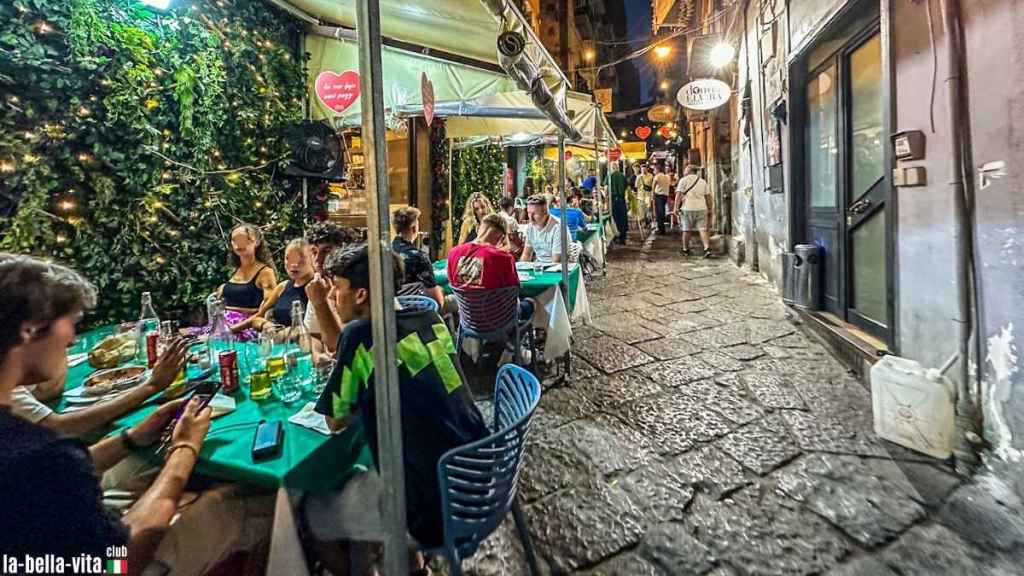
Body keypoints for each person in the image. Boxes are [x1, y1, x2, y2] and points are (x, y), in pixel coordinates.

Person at [0, 253, 213, 568]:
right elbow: (118, 562)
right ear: (30, 330)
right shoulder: (43, 457)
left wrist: (131, 438)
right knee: (242, 503)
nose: (72, 339)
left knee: (144, 466)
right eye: (70, 323)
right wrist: (185, 449)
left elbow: (54, 478)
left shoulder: (40, 458)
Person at [306, 245, 488, 575]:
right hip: (478, 471)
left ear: (360, 294)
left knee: (313, 511)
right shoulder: (429, 316)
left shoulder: (362, 335)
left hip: (434, 503)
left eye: (337, 287)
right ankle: (411, 564)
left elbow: (336, 419)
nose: (333, 294)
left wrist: (318, 304)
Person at [448, 214, 535, 322]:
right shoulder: (503, 258)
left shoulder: (453, 253)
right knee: (531, 302)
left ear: (478, 229)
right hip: (498, 321)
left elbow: (452, 283)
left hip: (467, 319)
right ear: (501, 237)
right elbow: (514, 291)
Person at [231, 238, 315, 334]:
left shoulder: (319, 288)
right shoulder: (282, 287)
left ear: (312, 258)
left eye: (301, 258)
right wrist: (228, 331)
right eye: (288, 258)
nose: (294, 264)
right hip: (277, 342)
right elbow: (259, 316)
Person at [304, 222, 360, 353]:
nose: (318, 259)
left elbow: (337, 344)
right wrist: (317, 355)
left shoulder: (358, 284)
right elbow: (313, 334)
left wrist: (320, 302)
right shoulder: (319, 284)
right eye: (314, 252)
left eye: (326, 251)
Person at [392, 206, 447, 312]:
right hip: (417, 310)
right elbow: (438, 302)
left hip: (394, 308)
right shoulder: (419, 257)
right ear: (414, 228)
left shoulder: (387, 252)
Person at [674, 165, 714, 258]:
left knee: (687, 230)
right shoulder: (702, 181)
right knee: (703, 229)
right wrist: (710, 208)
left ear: (689, 170)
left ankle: (685, 250)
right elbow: (708, 197)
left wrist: (675, 208)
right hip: (701, 208)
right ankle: (706, 248)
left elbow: (678, 195)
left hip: (687, 208)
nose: (684, 170)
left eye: (686, 168)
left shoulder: (683, 180)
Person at [520, 194, 563, 264]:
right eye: (529, 213)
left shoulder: (558, 227)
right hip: (539, 267)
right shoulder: (531, 227)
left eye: (534, 214)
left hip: (555, 269)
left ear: (545, 213)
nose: (530, 218)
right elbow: (526, 254)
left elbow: (556, 261)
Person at [608, 163, 628, 245]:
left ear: (612, 168)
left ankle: (616, 237)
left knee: (615, 219)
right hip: (622, 200)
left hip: (613, 200)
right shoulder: (623, 176)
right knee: (622, 219)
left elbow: (606, 188)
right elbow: (626, 187)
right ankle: (622, 239)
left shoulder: (610, 176)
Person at [652, 164, 672, 234]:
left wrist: (653, 195)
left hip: (658, 196)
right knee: (662, 211)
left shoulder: (657, 176)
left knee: (659, 213)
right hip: (665, 196)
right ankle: (662, 228)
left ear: (657, 170)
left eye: (654, 170)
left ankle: (661, 229)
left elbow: (653, 186)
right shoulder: (667, 177)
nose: (653, 171)